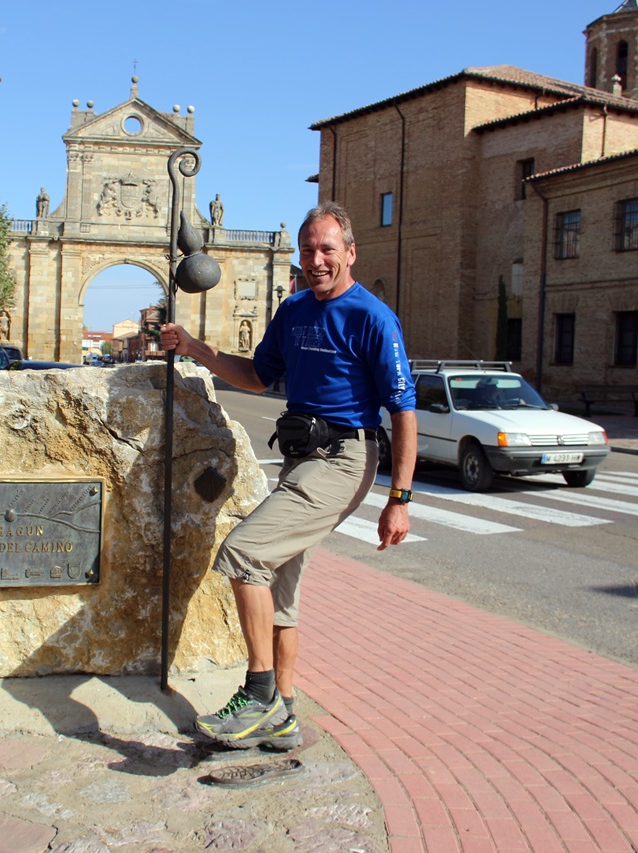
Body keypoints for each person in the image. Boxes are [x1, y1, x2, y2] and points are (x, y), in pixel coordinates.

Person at [160, 202, 416, 750]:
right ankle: (285, 713)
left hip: (345, 460)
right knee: (278, 588)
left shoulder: (373, 317)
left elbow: (403, 410)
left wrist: (400, 497)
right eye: (308, 249)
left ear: (350, 253)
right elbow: (255, 376)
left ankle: (258, 695)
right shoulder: (294, 310)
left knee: (244, 554)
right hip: (301, 460)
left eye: (328, 249)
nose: (317, 259)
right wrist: (197, 349)